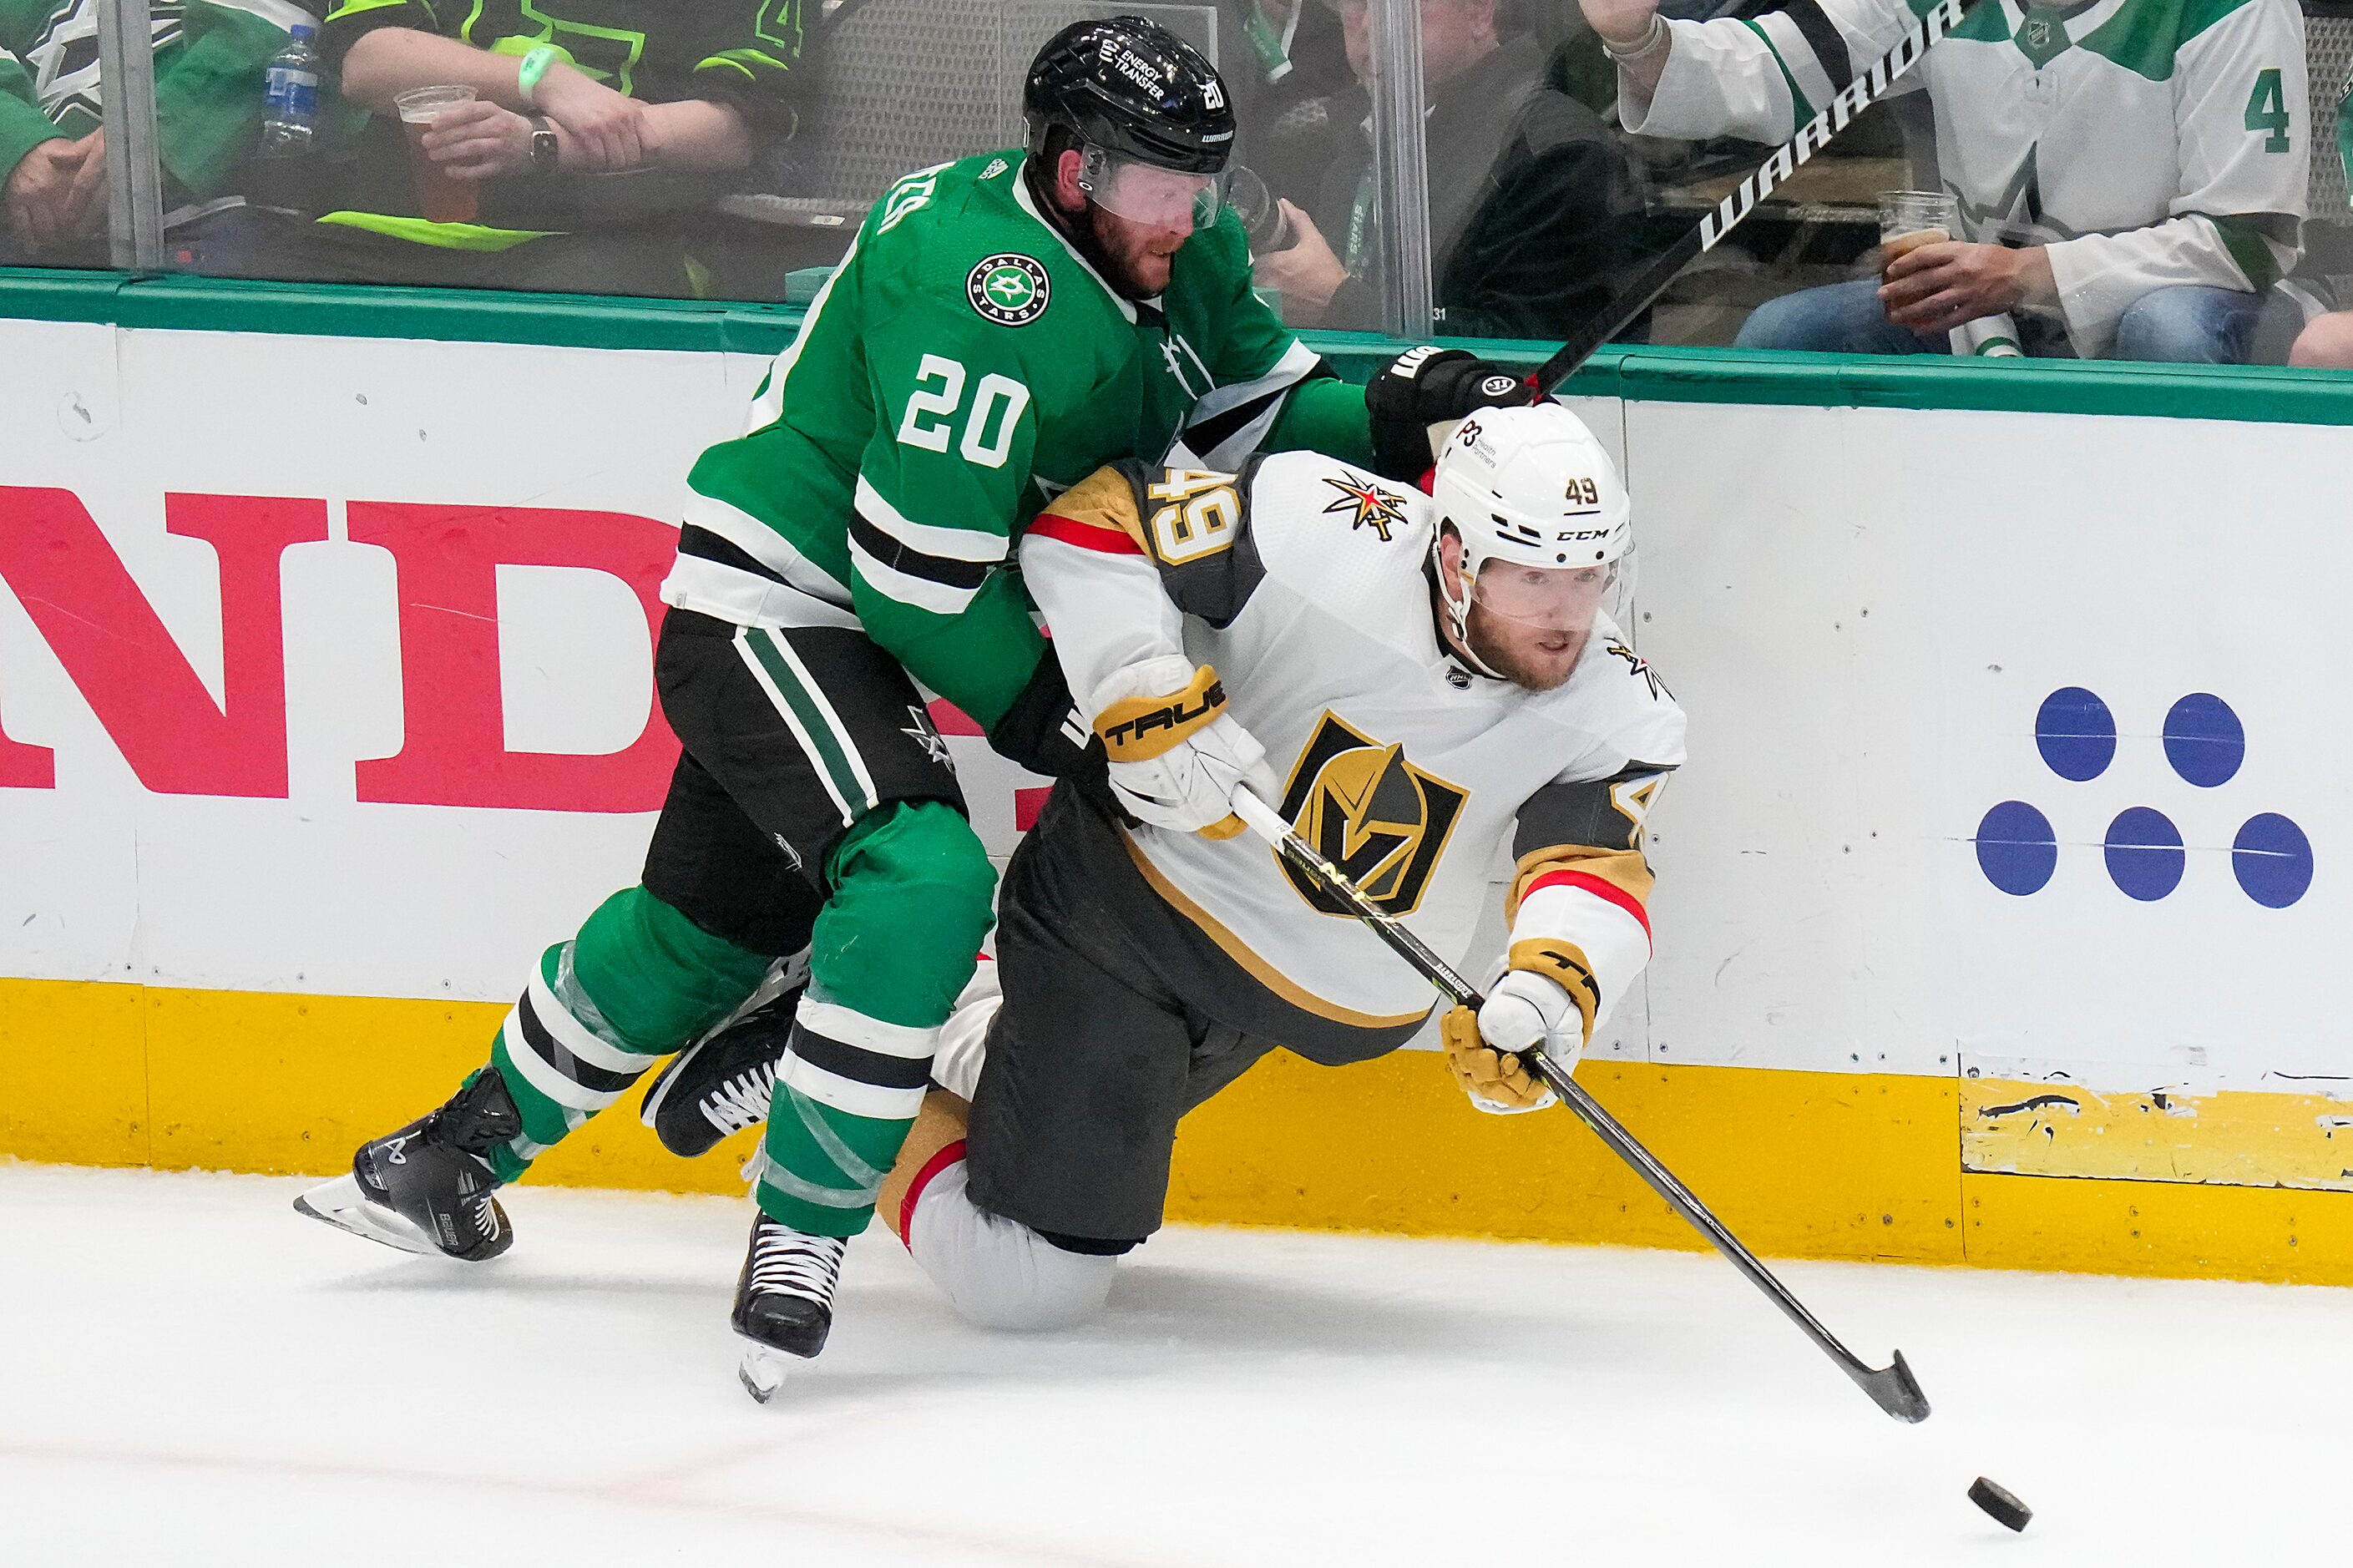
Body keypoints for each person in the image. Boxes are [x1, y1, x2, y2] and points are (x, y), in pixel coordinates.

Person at [292, 17, 1538, 1395]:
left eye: (1199, 182)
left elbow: (1244, 414)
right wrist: (1078, 725)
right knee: (919, 879)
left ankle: (443, 1151)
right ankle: (802, 1235)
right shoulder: (980, 286)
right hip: (781, 604)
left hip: (874, 612)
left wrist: (1402, 409)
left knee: (704, 933)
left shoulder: (1178, 238)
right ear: (1068, 171)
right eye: (1152, 186)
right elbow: (910, 584)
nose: (1183, 216)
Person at [860, 401, 1686, 1329]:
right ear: (1454, 552)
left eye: (1588, 576)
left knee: (995, 1095)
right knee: (1030, 1285)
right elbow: (1097, 519)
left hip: (1270, 1005)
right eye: (1532, 575)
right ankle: (809, 1066)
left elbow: (1590, 866)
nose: (1567, 614)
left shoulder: (1622, 707)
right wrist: (1139, 681)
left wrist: (1553, 990)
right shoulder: (1314, 523)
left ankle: (887, 1032)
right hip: (1124, 925)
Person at [1581, 0, 2308, 363]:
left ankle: (2178, 562)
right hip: (1985, 308)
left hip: (2161, 310)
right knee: (1787, 333)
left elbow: (2248, 240)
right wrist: (1639, 38)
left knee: (2168, 332)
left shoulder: (2236, 8)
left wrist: (2032, 272)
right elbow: (1780, 67)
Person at [193, 0, 810, 295]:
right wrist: (541, 78)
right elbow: (368, 60)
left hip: (614, 242)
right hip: (381, 233)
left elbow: (730, 130)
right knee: (249, 306)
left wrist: (541, 143)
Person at [1249, 0, 1641, 340]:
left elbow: (1533, 355)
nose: (1368, 24)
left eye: (1395, 7)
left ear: (1479, 12)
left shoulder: (1552, 152)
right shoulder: (1354, 136)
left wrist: (1340, 305)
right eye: (1355, 4)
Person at [2, 0, 301, 262]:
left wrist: (152, 138)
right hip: (25, 250)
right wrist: (18, 142)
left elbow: (282, 25)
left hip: (219, 245)